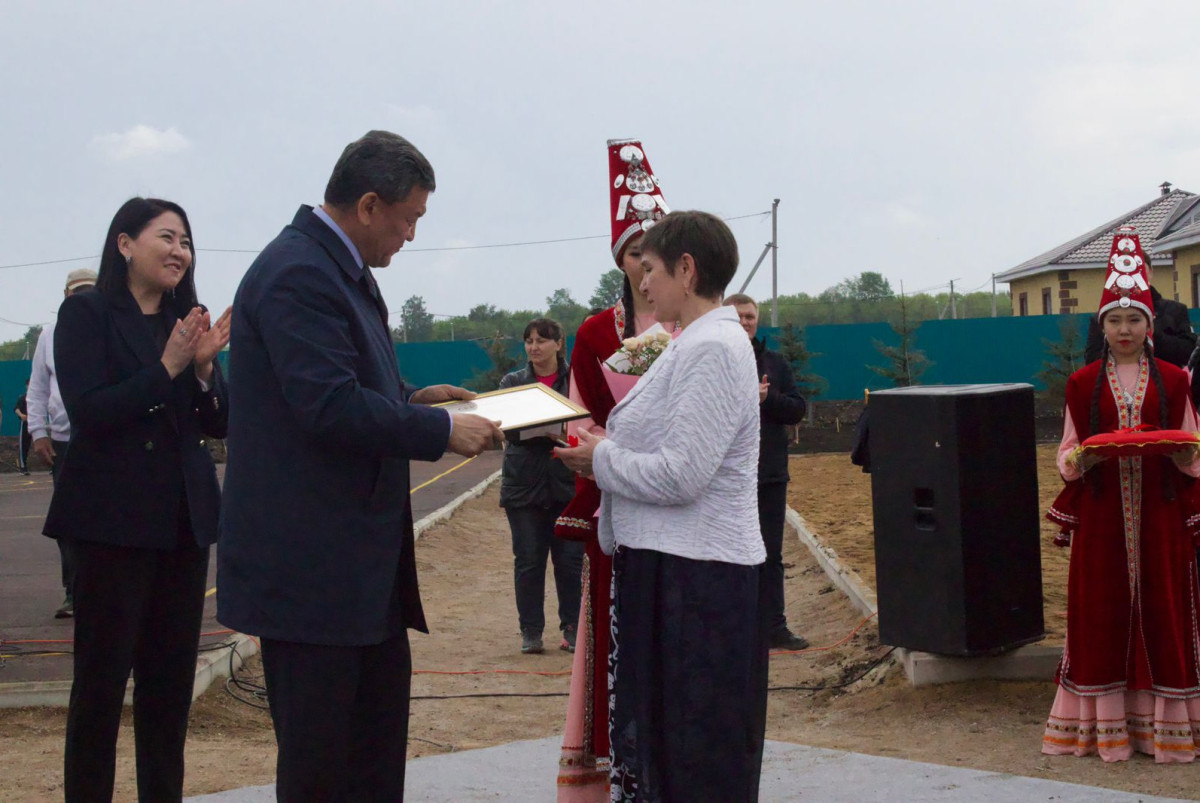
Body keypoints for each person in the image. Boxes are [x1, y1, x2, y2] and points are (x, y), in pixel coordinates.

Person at [217, 130, 503, 802]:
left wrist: (411, 398)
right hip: (314, 575)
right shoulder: (299, 272)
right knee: (323, 769)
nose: (410, 234)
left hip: (358, 575)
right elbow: (326, 405)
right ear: (370, 205)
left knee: (371, 759)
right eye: (410, 218)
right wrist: (438, 430)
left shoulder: (338, 270)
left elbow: (346, 386)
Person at [559, 210, 767, 800]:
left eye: (649, 269)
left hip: (698, 581)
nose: (641, 283)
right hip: (672, 568)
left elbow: (683, 475)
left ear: (686, 268)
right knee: (669, 746)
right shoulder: (692, 342)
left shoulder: (714, 348)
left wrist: (599, 460)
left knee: (695, 750)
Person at [44, 197, 231, 800]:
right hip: (111, 527)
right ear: (125, 244)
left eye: (187, 242)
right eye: (167, 238)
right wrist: (169, 367)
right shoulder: (87, 314)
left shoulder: (186, 323)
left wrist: (202, 372)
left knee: (168, 692)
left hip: (181, 526)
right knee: (99, 690)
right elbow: (90, 414)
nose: (181, 251)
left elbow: (218, 422)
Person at [1043, 226, 1200, 763]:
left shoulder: (1177, 379)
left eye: (1135, 320)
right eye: (1116, 320)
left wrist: (1184, 456)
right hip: (1104, 517)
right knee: (1101, 612)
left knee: (1166, 612)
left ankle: (1166, 730)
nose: (1126, 329)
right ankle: (1105, 731)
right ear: (1102, 327)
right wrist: (1080, 460)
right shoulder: (1081, 383)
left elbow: (1193, 447)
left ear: (1150, 326)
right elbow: (1066, 451)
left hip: (1160, 515)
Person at [554, 138, 672, 800]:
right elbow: (577, 417)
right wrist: (611, 452)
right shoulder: (597, 333)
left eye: (655, 248)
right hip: (619, 508)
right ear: (621, 261)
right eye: (634, 250)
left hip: (681, 506)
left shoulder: (696, 328)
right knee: (612, 640)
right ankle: (617, 767)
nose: (645, 262)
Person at [724, 293, 809, 650]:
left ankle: (775, 627)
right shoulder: (716, 361)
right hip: (727, 479)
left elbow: (797, 408)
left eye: (750, 317)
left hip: (769, 475)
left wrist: (766, 399)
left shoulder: (774, 363)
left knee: (770, 555)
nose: (745, 322)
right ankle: (734, 629)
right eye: (738, 317)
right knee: (729, 556)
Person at [499, 318, 583, 655]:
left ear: (560, 343)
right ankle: (530, 631)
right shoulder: (513, 381)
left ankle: (573, 627)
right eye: (529, 340)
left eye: (542, 341)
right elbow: (507, 427)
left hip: (566, 481)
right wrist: (537, 429)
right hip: (524, 485)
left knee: (570, 561)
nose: (534, 347)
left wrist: (562, 434)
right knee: (529, 560)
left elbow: (587, 421)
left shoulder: (575, 379)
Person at [28, 267, 98, 618]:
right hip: (64, 443)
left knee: (106, 519)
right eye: (78, 292)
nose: (83, 297)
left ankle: (104, 592)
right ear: (66, 296)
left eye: (90, 290)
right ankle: (73, 592)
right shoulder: (50, 335)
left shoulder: (110, 328)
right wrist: (38, 433)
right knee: (69, 521)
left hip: (104, 441)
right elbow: (38, 388)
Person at [14, 380, 31, 474]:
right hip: (25, 424)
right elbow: (16, 409)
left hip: (36, 423)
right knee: (24, 445)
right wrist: (21, 415)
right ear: (26, 386)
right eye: (29, 384)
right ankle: (23, 467)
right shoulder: (23, 398)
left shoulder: (38, 398)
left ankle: (52, 467)